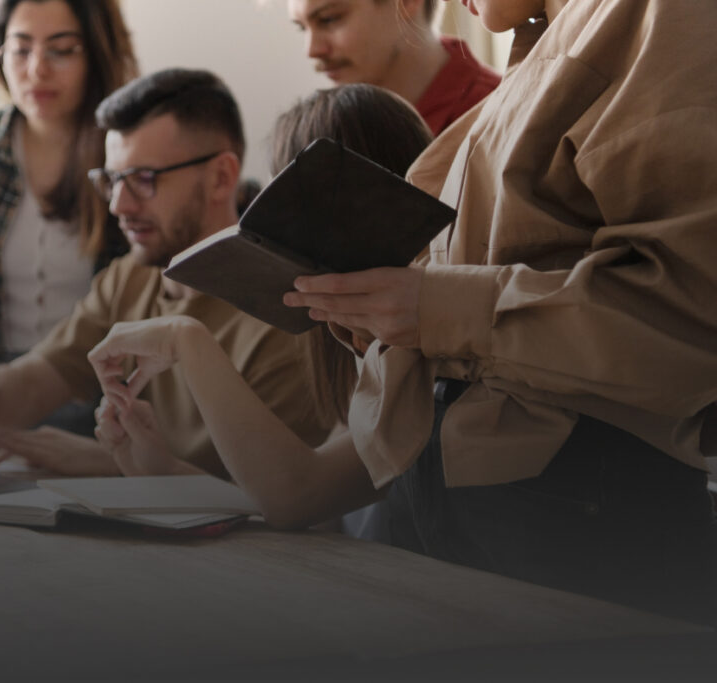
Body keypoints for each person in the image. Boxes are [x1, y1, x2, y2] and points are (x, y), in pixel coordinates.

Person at [93, 0, 717, 626]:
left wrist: (431, 306)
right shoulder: (536, 58)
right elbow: (299, 490)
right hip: (494, 536)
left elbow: (689, 313)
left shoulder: (657, 20)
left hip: (579, 527)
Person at [0, 69, 335, 478]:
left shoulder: (289, 311)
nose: (118, 206)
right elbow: (43, 373)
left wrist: (108, 464)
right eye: (111, 180)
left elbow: (281, 497)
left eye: (142, 179)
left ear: (221, 178)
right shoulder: (130, 277)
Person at [91, 83, 431, 521]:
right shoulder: (354, 346)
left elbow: (298, 495)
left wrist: (186, 339)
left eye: (284, 201)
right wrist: (164, 470)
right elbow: (280, 502)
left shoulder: (423, 352)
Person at [0, 0, 137, 378]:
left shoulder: (128, 154)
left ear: (97, 54)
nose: (37, 70)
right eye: (20, 50)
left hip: (96, 388)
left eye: (62, 50)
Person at [288, 0, 499, 135]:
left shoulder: (497, 121)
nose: (312, 50)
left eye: (329, 19)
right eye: (301, 28)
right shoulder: (329, 131)